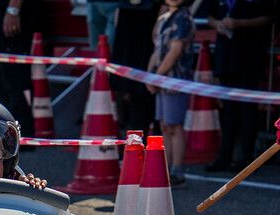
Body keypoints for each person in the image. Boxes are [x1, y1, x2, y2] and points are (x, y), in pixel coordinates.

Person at [205, 0, 273, 172]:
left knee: (247, 110)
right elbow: (209, 15)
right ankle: (224, 156)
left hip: (249, 55)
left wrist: (239, 23)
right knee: (227, 110)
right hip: (226, 55)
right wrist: (218, 23)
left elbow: (268, 17)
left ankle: (246, 158)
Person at [147, 0, 195, 187]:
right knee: (164, 125)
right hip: (162, 79)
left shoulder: (183, 18)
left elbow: (175, 51)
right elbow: (156, 48)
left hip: (175, 79)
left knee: (174, 126)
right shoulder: (165, 16)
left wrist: (155, 76)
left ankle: (177, 171)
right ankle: (165, 169)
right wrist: (149, 75)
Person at [0, 0, 37, 136]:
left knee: (12, 76)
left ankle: (19, 134)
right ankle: (0, 132)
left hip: (11, 10)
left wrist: (14, 8)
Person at [111, 0, 160, 137]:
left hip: (151, 16)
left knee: (149, 90)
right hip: (128, 15)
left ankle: (154, 142)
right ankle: (137, 145)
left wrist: (162, 15)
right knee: (133, 89)